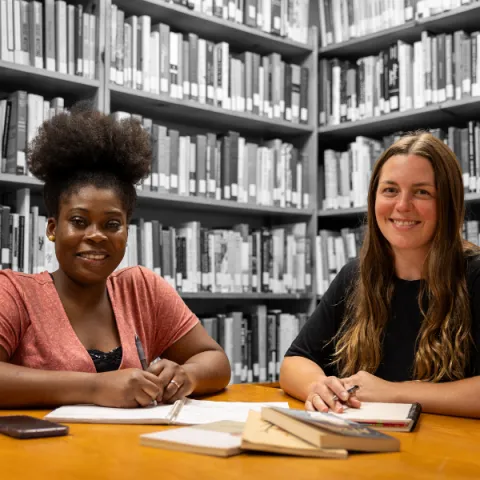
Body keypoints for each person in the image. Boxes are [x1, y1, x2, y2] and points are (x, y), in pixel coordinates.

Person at [0, 108, 231, 408]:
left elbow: (216, 361)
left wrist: (187, 376)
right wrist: (95, 388)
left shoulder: (142, 289)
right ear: (53, 228)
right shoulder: (15, 294)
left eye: (111, 224)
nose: (97, 235)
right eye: (80, 221)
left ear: (126, 231)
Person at [280, 132, 480, 419]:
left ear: (447, 203)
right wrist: (319, 386)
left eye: (422, 192)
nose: (402, 206)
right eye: (390, 190)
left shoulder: (474, 275)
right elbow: (295, 361)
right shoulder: (356, 275)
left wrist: (393, 392)